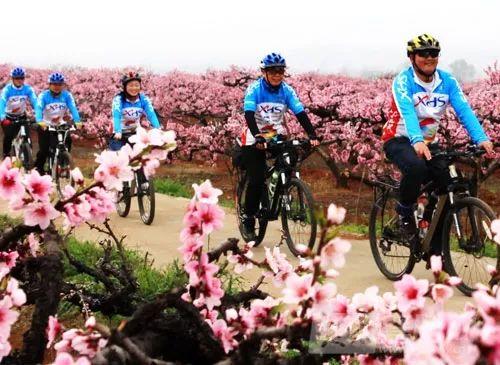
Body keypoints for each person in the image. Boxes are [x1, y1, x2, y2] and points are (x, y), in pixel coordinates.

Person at [381, 33, 494, 252]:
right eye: (423, 53)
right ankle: (404, 213)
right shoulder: (404, 81)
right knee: (415, 167)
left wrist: (481, 138)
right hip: (399, 138)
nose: (429, 57)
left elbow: (464, 110)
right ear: (412, 57)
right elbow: (407, 111)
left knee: (449, 180)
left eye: (434, 53)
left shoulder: (447, 81)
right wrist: (416, 140)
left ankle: (434, 242)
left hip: (429, 142)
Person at [238, 52, 320, 239]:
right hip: (253, 136)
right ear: (264, 72)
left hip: (274, 134)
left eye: (280, 71)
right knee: (257, 179)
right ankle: (248, 218)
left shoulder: (287, 91)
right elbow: (249, 113)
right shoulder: (254, 89)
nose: (277, 75)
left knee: (290, 159)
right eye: (272, 71)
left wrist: (312, 134)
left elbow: (300, 112)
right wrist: (258, 136)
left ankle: (284, 188)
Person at [34, 72, 82, 174]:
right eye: (54, 84)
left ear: (63, 85)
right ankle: (39, 167)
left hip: (60, 124)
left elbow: (73, 108)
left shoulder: (67, 95)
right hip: (45, 124)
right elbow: (38, 109)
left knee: (67, 140)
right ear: (49, 84)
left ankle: (64, 160)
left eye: (59, 84)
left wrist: (78, 121)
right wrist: (39, 121)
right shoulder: (43, 96)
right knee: (44, 149)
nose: (57, 87)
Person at [109, 71, 160, 151]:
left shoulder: (144, 99)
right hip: (120, 134)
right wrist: (118, 131)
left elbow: (151, 114)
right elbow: (116, 115)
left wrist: (157, 128)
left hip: (136, 133)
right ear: (125, 87)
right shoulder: (118, 99)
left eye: (137, 85)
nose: (134, 88)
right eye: (131, 85)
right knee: (120, 155)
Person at [0, 67, 37, 158]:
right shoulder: (7, 90)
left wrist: (38, 114)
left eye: (22, 78)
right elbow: (2, 103)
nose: (20, 80)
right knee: (9, 137)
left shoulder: (28, 89)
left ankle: (27, 156)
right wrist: (2, 117)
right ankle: (6, 155)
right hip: (8, 118)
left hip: (22, 116)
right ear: (12, 79)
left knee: (27, 137)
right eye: (17, 78)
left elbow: (35, 101)